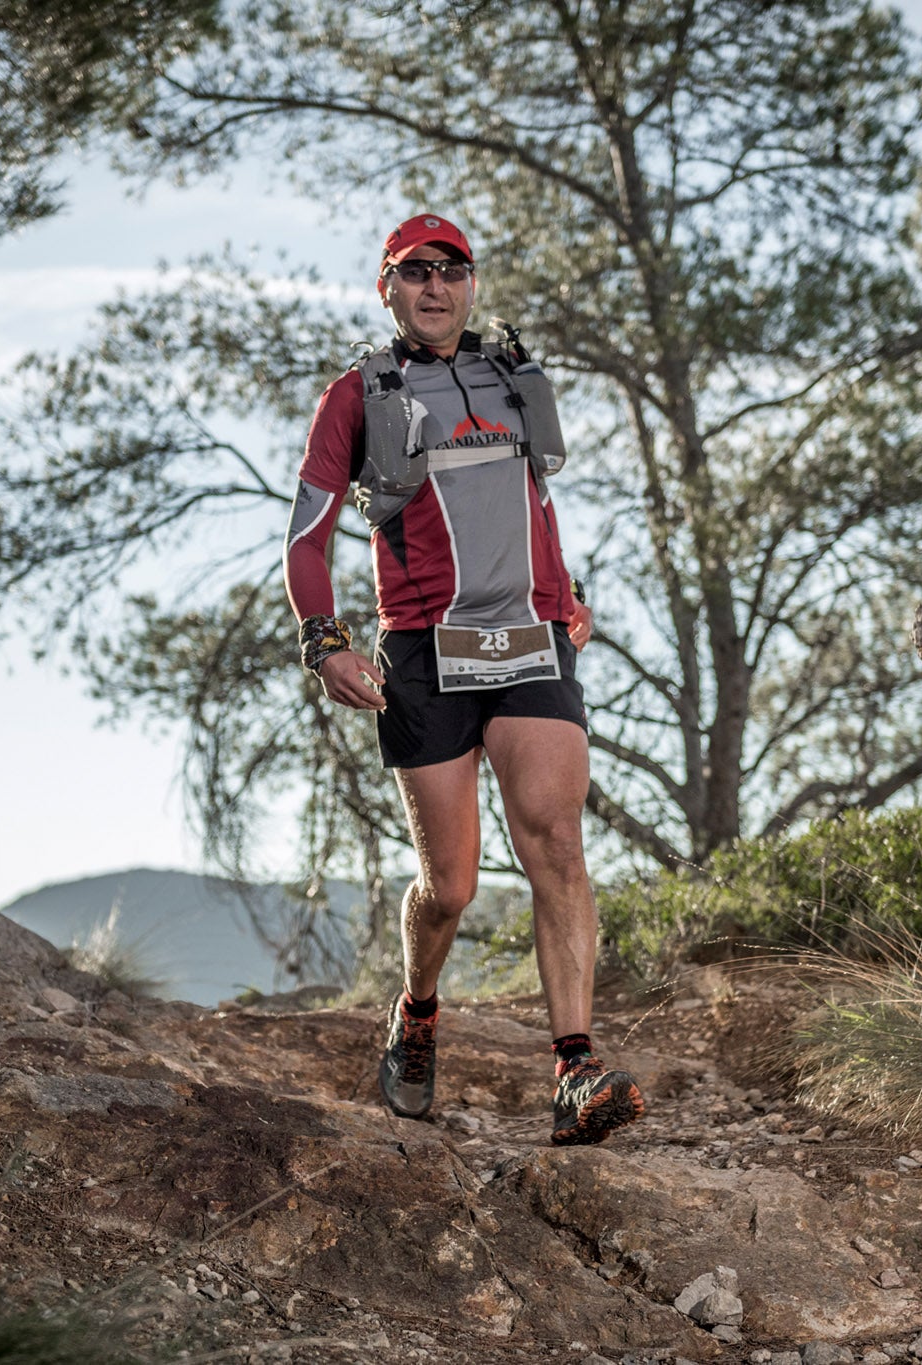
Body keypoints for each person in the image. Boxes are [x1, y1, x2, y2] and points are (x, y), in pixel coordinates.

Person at [282, 212, 644, 1146]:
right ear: (388, 287)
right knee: (450, 886)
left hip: (529, 644)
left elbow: (533, 501)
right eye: (414, 271)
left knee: (557, 841)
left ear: (472, 284)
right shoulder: (355, 396)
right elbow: (307, 535)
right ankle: (418, 1011)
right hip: (425, 651)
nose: (434, 286)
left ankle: (574, 1068)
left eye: (451, 270)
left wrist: (564, 592)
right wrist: (325, 641)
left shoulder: (515, 379)